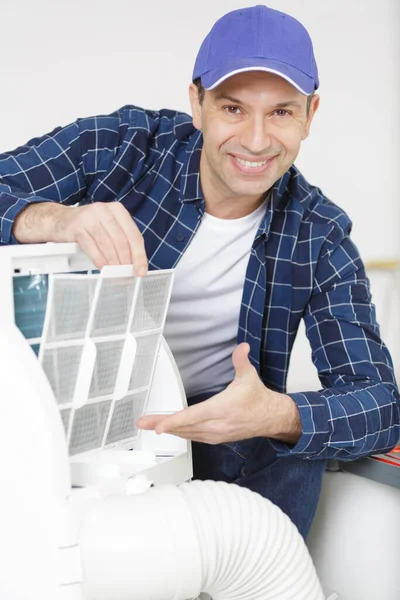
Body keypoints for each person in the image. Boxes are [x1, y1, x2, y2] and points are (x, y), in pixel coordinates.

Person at [0, 5, 399, 538]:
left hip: (220, 439)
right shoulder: (120, 147)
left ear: (310, 114)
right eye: (233, 108)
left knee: (292, 445)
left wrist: (274, 416)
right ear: (197, 102)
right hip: (66, 422)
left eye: (281, 112)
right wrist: (51, 217)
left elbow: (379, 401)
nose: (256, 141)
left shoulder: (319, 233)